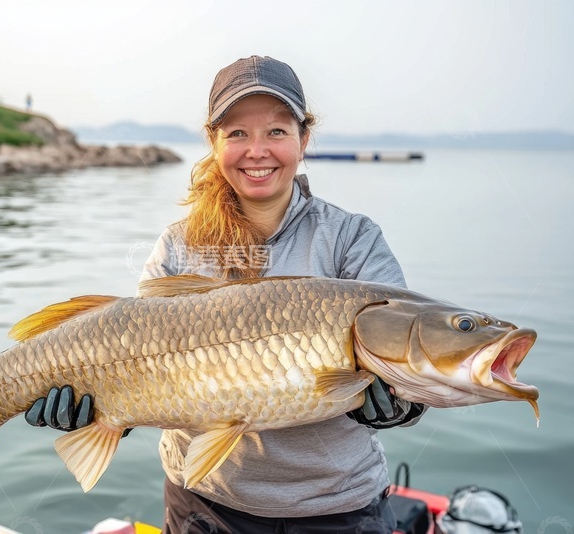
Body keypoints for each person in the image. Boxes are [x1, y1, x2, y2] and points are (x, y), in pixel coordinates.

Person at [26, 55, 426, 534]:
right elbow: (137, 369)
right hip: (205, 505)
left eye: (276, 131)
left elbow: (411, 364)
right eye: (237, 133)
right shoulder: (177, 246)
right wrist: (101, 412)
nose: (257, 151)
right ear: (214, 142)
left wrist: (400, 405)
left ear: (303, 139)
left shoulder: (353, 238)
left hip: (339, 509)